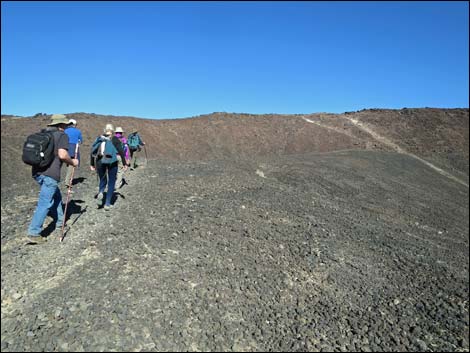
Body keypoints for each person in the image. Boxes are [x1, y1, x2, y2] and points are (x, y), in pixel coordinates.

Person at [27, 114, 79, 243]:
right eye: (66, 125)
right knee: (45, 203)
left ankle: (60, 222)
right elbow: (62, 154)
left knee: (56, 197)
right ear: (61, 125)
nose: (67, 127)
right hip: (51, 175)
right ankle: (34, 232)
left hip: (38, 172)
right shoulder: (62, 135)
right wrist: (72, 162)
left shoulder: (45, 134)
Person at [90, 124, 128, 211]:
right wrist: (125, 163)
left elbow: (92, 151)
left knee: (102, 179)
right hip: (112, 162)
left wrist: (92, 164)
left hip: (100, 161)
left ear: (104, 130)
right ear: (112, 131)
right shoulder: (114, 139)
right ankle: (107, 203)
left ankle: (101, 191)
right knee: (111, 181)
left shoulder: (99, 138)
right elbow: (121, 151)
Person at [64, 118, 83, 188]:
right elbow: (81, 141)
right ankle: (68, 181)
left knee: (68, 164)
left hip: (65, 148)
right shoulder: (78, 131)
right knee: (71, 164)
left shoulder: (65, 131)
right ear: (74, 125)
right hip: (73, 148)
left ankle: (68, 179)